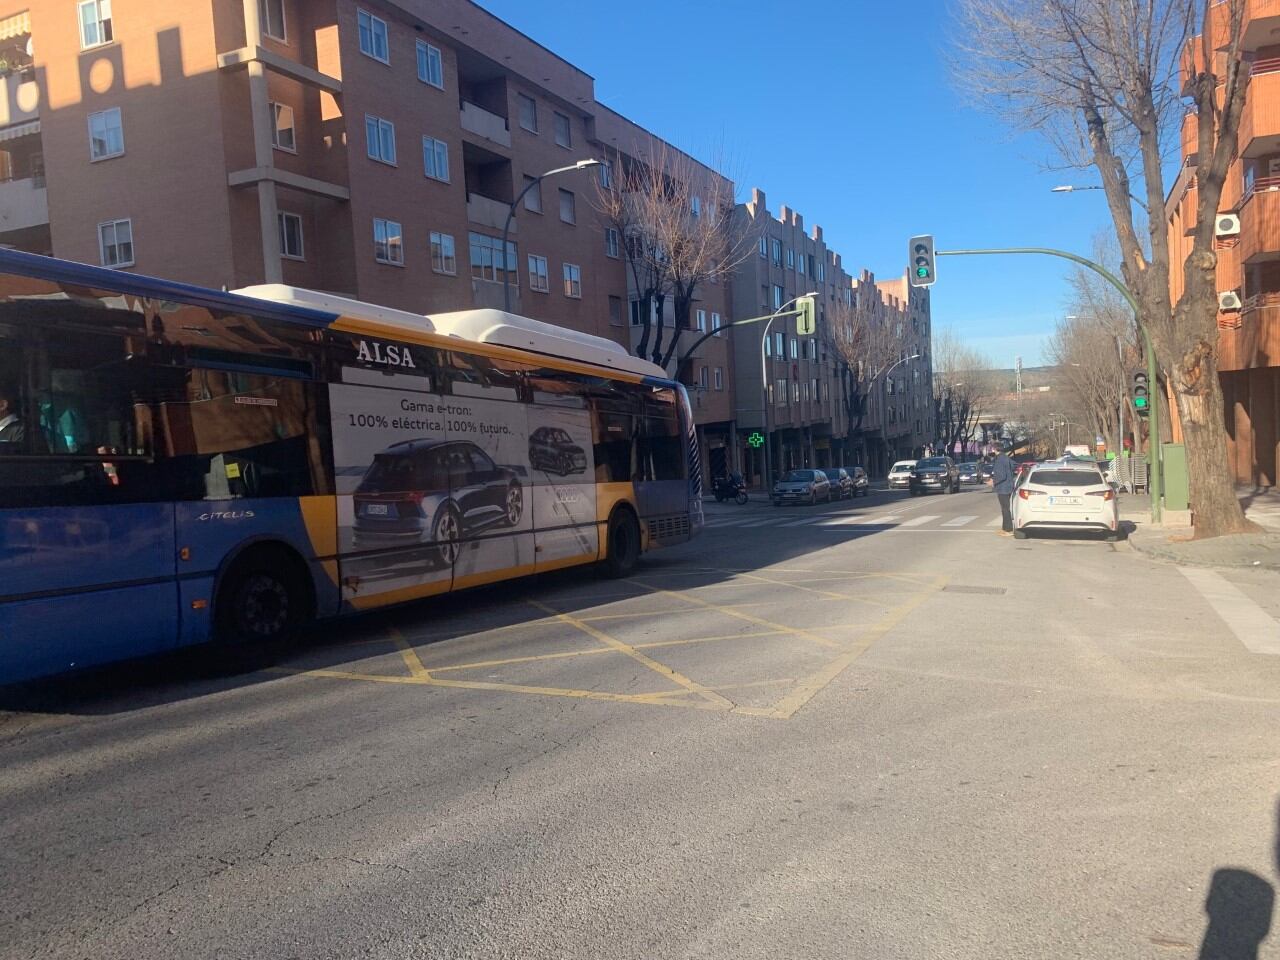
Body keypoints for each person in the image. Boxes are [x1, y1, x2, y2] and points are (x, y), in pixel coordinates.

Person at [989, 445, 1016, 536]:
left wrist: (993, 481)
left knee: (1005, 509)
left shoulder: (999, 460)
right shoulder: (1006, 457)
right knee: (1006, 508)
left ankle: (1008, 529)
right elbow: (1014, 465)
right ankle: (1005, 528)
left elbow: (1001, 475)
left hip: (1003, 487)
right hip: (1009, 486)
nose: (991, 450)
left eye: (991, 449)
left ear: (996, 449)